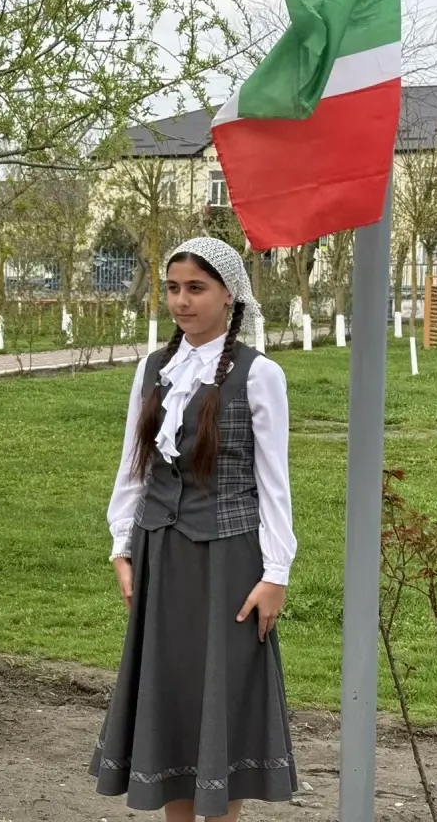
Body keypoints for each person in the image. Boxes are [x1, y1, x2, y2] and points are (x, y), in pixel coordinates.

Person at [89, 236, 298, 822]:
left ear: (229, 295)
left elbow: (273, 483)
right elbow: (134, 467)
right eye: (174, 288)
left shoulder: (259, 375)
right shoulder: (153, 369)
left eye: (196, 289)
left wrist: (276, 573)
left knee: (220, 702)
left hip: (229, 561)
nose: (182, 301)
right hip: (160, 552)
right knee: (173, 698)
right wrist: (122, 546)